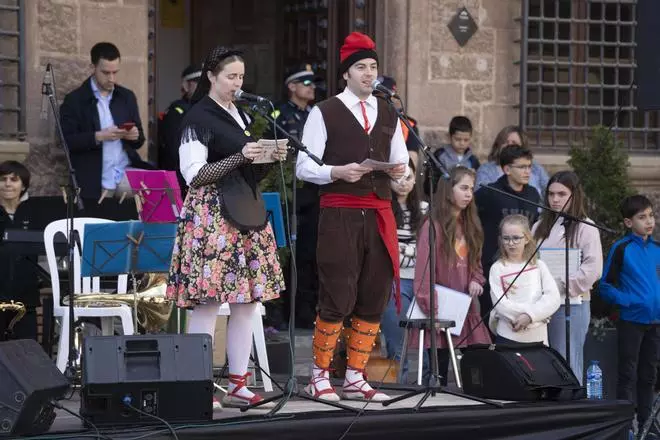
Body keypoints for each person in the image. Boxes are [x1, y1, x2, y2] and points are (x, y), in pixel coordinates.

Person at [165, 46, 286, 410]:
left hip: (244, 211)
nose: (237, 83)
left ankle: (237, 384)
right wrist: (240, 156)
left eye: (241, 77)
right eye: (230, 76)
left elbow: (245, 171)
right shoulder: (197, 117)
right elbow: (195, 175)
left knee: (247, 302)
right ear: (211, 77)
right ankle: (195, 384)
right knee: (208, 302)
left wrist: (267, 157)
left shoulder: (240, 115)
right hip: (212, 216)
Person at [296, 31, 409, 402]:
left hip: (378, 211)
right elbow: (303, 166)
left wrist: (403, 178)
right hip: (339, 213)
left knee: (373, 293)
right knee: (337, 293)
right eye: (360, 67)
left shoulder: (388, 112)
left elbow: (401, 163)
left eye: (372, 67)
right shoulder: (323, 112)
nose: (367, 73)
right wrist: (336, 172)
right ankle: (319, 375)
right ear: (346, 73)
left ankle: (357, 375)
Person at [414, 166, 492, 385]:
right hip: (441, 305)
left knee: (475, 357)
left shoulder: (471, 224)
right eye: (463, 188)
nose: (469, 194)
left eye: (471, 189)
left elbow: (476, 261)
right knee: (441, 361)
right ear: (448, 190)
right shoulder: (433, 225)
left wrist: (477, 279)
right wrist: (432, 309)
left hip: (466, 304)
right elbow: (423, 272)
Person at [532, 171, 603, 384]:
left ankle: (571, 405)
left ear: (574, 196)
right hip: (543, 302)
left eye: (562, 194)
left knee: (566, 357)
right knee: (544, 357)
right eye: (551, 194)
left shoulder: (586, 226)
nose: (555, 199)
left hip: (572, 302)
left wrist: (561, 284)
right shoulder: (540, 226)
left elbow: (593, 268)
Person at [600, 195, 660, 435]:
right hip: (631, 322)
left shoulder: (657, 249)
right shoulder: (621, 249)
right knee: (628, 374)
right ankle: (624, 424)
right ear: (628, 222)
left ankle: (647, 424)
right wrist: (629, 301)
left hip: (655, 323)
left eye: (651, 216)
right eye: (641, 217)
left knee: (649, 375)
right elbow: (605, 286)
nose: (649, 221)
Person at [60, 42, 147, 199]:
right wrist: (99, 136)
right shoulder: (75, 100)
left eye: (115, 72)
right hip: (94, 179)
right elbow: (67, 141)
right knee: (100, 222)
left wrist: (134, 136)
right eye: (106, 73)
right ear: (93, 67)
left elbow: (140, 139)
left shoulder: (126, 97)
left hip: (124, 173)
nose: (111, 78)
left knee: (158, 188)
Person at [475, 144, 541, 323]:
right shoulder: (490, 192)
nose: (527, 171)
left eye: (529, 166)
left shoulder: (533, 194)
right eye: (522, 167)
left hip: (524, 267)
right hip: (494, 265)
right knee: (493, 318)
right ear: (507, 169)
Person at [379, 158, 427, 382]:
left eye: (408, 177)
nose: (403, 183)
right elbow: (387, 249)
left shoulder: (425, 209)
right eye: (396, 178)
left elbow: (426, 249)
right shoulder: (383, 207)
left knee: (425, 340)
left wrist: (403, 251)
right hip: (392, 280)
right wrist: (411, 252)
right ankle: (397, 385)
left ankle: (427, 383)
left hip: (421, 281)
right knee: (397, 339)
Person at [489, 214, 560, 344]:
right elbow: (501, 304)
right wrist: (527, 317)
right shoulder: (497, 268)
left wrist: (530, 316)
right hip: (509, 335)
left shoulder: (539, 265)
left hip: (538, 337)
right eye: (506, 238)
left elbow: (553, 298)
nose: (511, 243)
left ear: (526, 239)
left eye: (516, 238)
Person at [0, 161, 40, 342]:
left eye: (13, 179)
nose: (8, 184)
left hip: (26, 299)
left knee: (26, 353)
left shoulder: (35, 213)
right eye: (3, 179)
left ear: (23, 185)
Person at [159, 64, 202, 193]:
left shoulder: (210, 109)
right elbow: (175, 150)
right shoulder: (177, 111)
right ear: (185, 85)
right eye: (197, 82)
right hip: (184, 181)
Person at [475, 125, 549, 197]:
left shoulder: (536, 169)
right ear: (499, 145)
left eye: (514, 143)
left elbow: (549, 193)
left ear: (523, 146)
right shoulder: (486, 170)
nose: (509, 145)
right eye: (506, 142)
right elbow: (481, 196)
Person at [375, 75, 422, 166]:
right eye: (376, 95)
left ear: (394, 96)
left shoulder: (408, 125)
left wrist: (409, 173)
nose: (380, 99)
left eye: (385, 95)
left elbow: (412, 158)